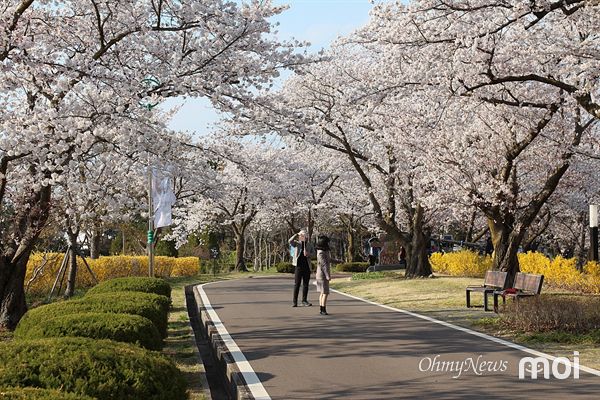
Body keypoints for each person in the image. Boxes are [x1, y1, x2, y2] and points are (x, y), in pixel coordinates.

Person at [289, 230, 313, 307]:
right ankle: (294, 301)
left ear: (306, 237)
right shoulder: (296, 243)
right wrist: (296, 234)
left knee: (306, 284)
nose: (302, 237)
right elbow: (290, 241)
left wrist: (308, 254)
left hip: (307, 266)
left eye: (303, 236)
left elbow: (314, 254)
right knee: (297, 284)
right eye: (301, 236)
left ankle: (304, 300)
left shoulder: (309, 245)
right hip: (298, 266)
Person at [315, 234, 332, 315]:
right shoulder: (321, 253)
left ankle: (322, 309)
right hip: (322, 275)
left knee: (322, 292)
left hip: (321, 275)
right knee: (325, 292)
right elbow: (323, 265)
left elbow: (329, 260)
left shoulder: (323, 251)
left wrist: (339, 261)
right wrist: (327, 275)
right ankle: (323, 309)